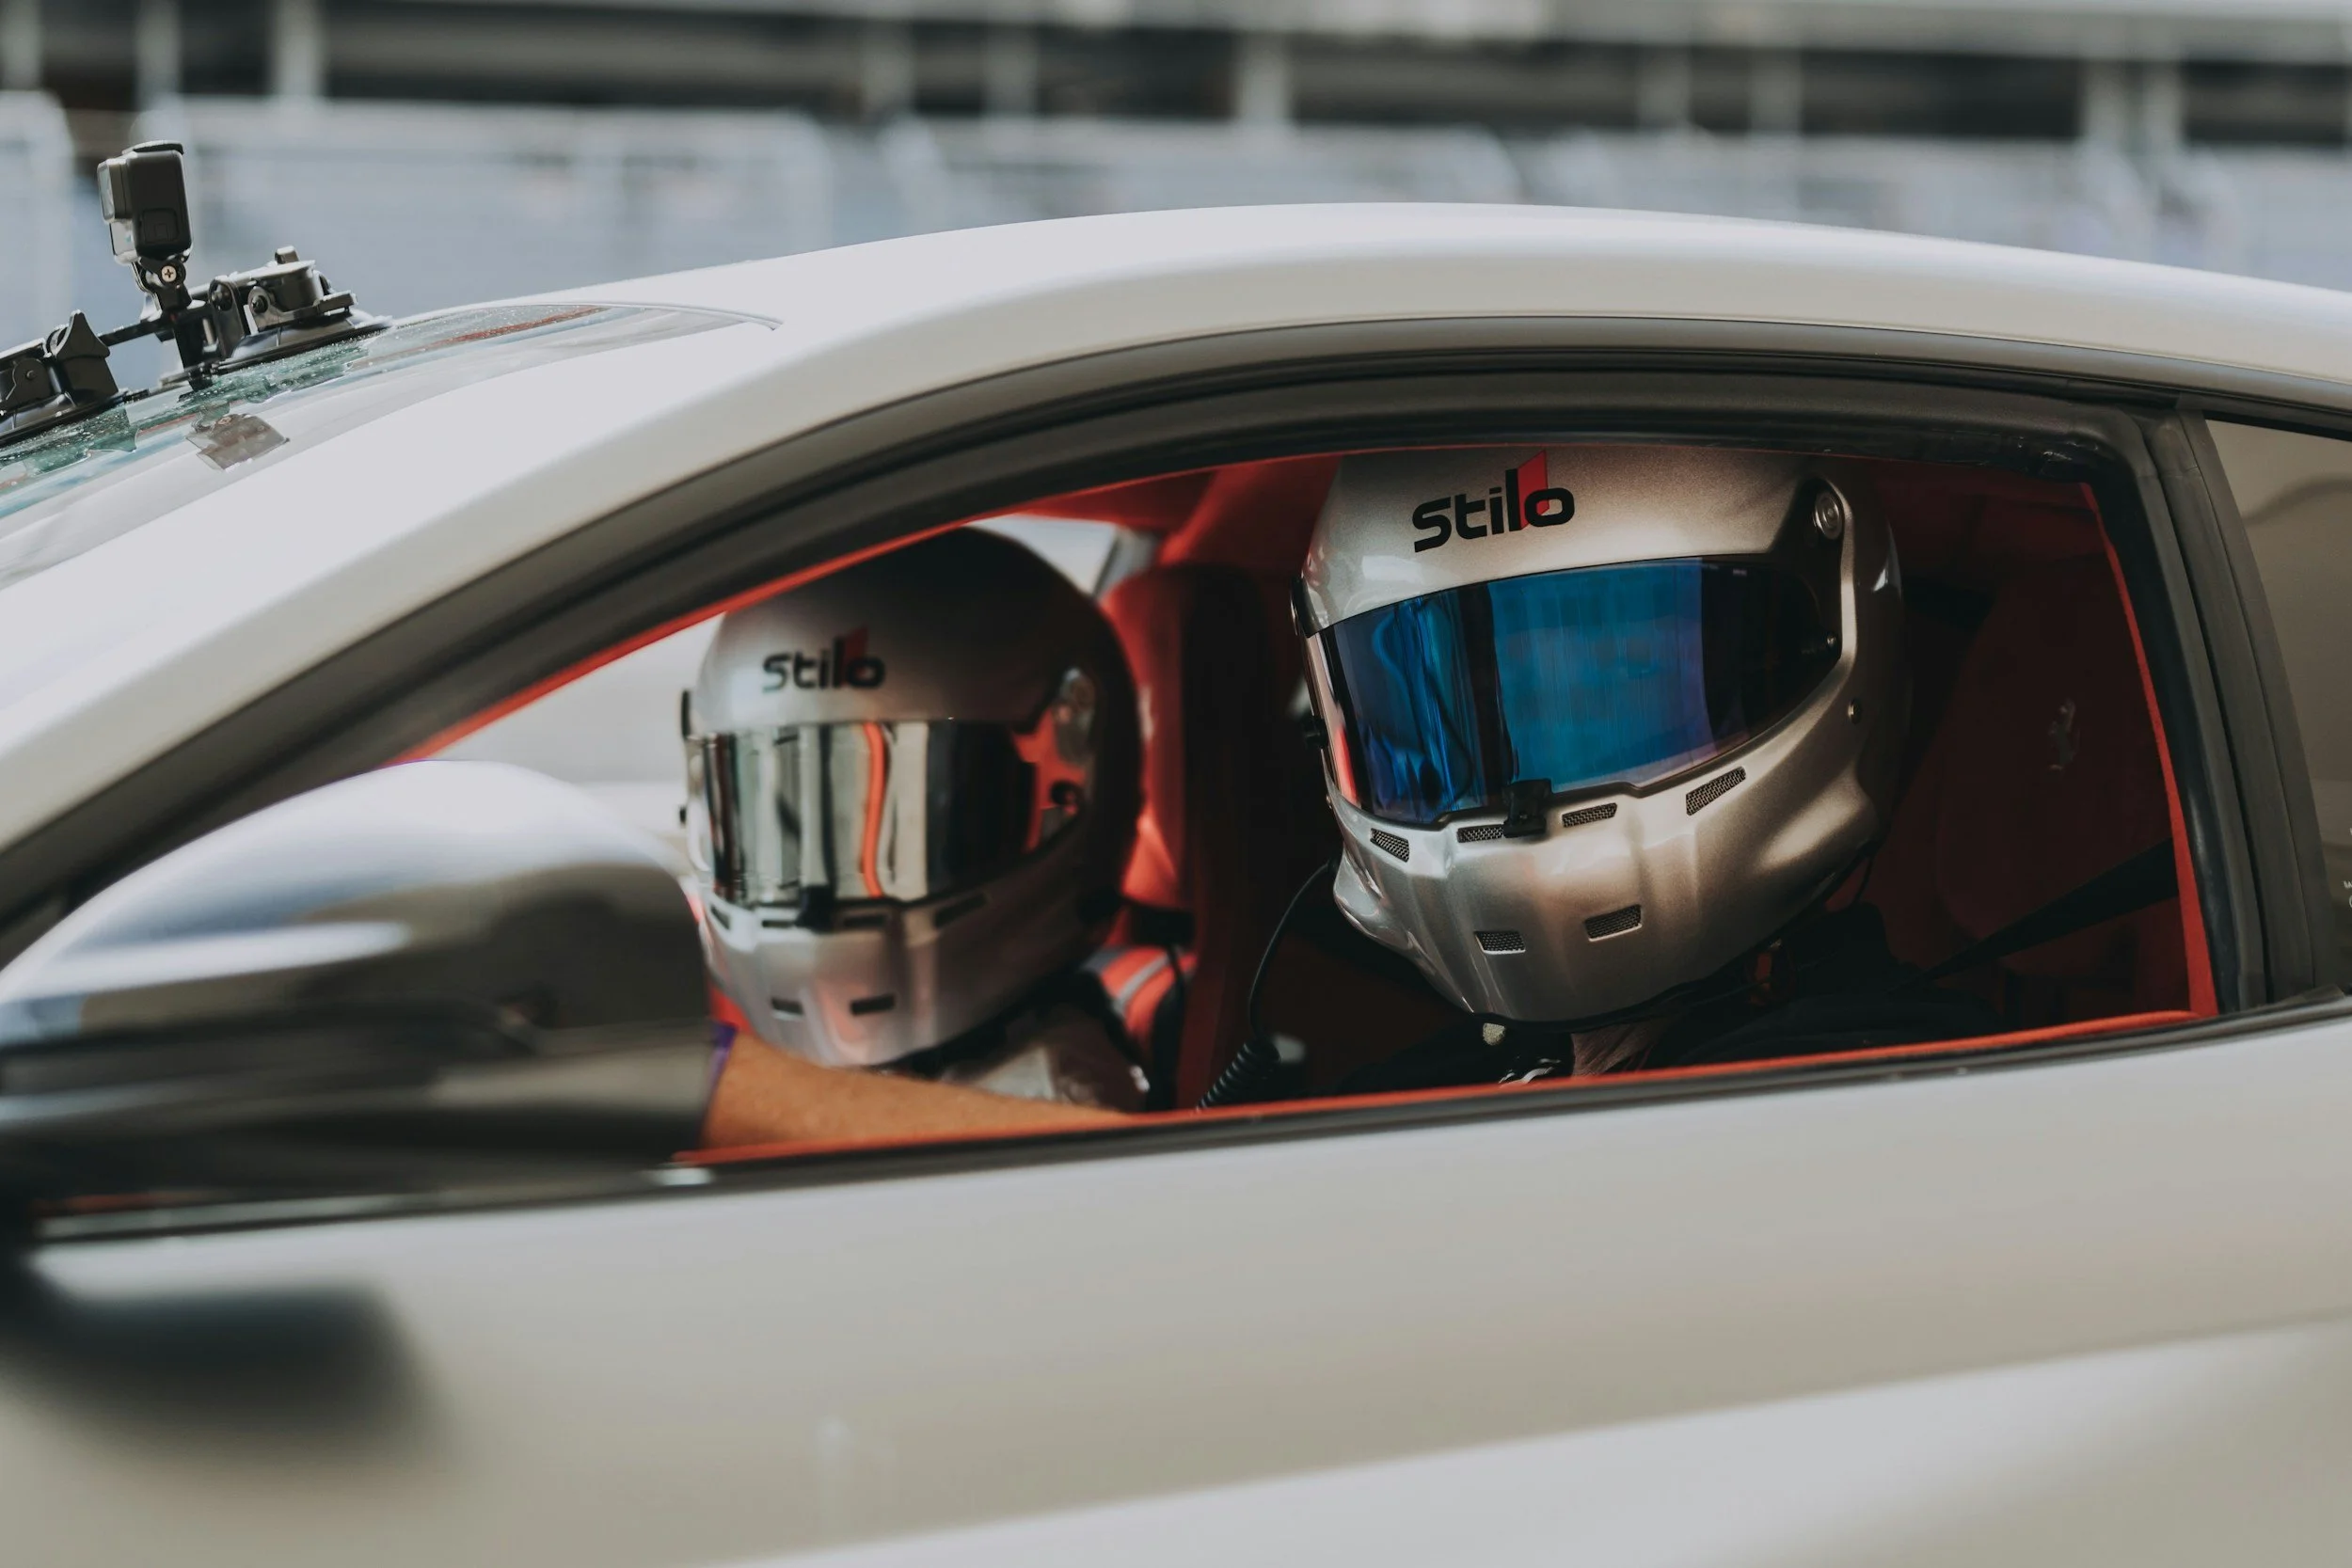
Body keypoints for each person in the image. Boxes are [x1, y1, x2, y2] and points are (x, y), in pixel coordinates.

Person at [1287, 443, 2008, 1090]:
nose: (1525, 798)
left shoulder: (1908, 1089)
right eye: (1476, 709)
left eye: (1618, 683)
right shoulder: (1422, 1092)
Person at [687, 529, 1180, 1148]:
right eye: (775, 811)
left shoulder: (1049, 1111)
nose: (815, 896)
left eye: (895, 820)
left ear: (1069, 793)